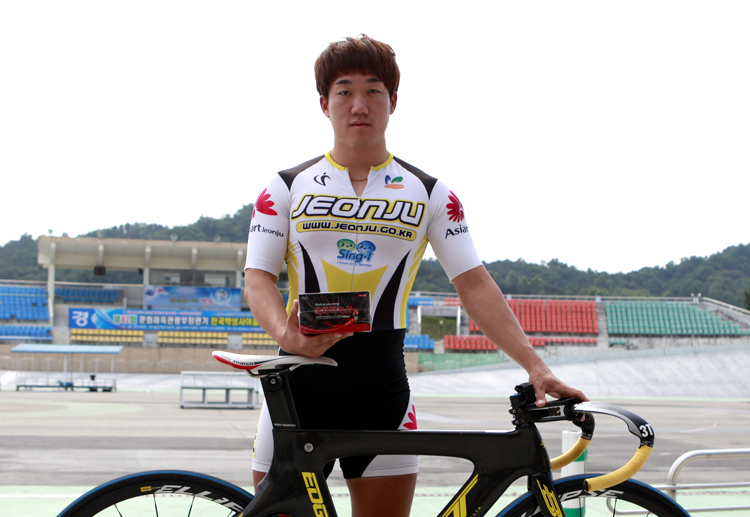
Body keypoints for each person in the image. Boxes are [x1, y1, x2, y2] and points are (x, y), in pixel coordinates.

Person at [244, 34, 587, 517]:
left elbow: (474, 283)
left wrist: (536, 366)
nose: (359, 104)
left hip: (382, 389)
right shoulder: (284, 187)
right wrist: (286, 334)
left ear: (393, 101)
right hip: (297, 385)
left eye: (373, 91)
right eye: (344, 91)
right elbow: (257, 276)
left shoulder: (429, 192)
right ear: (324, 103)